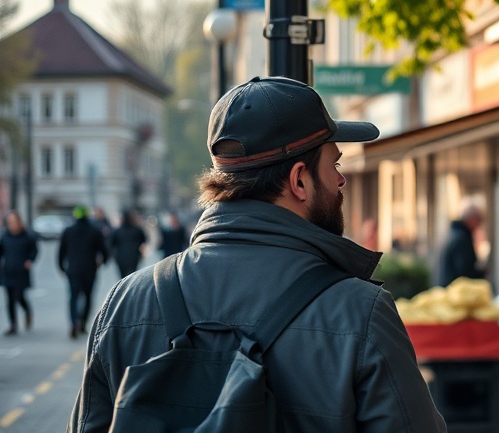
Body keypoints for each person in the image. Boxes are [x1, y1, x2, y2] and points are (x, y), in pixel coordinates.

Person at [67, 75, 445, 432]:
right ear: (299, 180)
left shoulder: (124, 303)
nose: (341, 180)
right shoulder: (360, 312)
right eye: (335, 164)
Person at [58, 205, 109, 339]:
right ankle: (83, 323)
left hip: (73, 269)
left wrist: (61, 267)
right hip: (90, 269)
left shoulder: (68, 231)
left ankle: (73, 321)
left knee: (73, 297)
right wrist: (103, 261)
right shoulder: (95, 231)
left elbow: (61, 251)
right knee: (88, 296)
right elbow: (103, 250)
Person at [0, 211, 38, 335]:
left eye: (15, 221)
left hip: (21, 271)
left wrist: (30, 260)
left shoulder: (27, 235)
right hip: (8, 270)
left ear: (19, 222)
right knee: (9, 299)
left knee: (18, 296)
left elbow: (34, 250)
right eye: (10, 222)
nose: (13, 224)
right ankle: (13, 324)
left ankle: (27, 310)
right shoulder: (4, 236)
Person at [437, 198, 486, 286]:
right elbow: (464, 271)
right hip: (455, 292)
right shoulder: (461, 238)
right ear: (471, 219)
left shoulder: (454, 234)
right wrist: (481, 274)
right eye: (479, 220)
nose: (479, 225)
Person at [109, 210, 148, 277]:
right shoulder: (137, 230)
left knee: (123, 277)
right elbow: (143, 240)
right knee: (132, 276)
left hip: (121, 257)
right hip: (134, 256)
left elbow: (112, 243)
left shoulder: (118, 231)